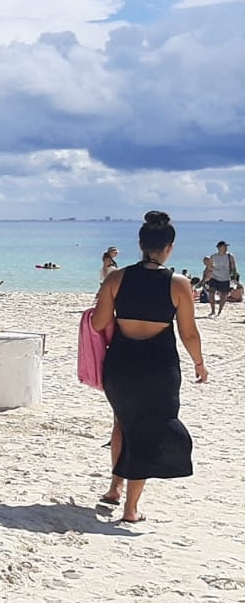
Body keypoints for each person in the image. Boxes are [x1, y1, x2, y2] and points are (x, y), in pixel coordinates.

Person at [91, 211, 206, 524]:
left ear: (140, 244)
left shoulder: (116, 278)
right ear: (169, 248)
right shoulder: (179, 284)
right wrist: (199, 362)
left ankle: (115, 488)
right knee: (147, 429)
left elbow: (99, 323)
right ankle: (131, 509)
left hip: (122, 365)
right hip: (159, 368)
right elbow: (189, 333)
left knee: (123, 422)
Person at [202, 241, 236, 317]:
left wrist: (235, 278)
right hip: (214, 277)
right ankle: (213, 310)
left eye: (226, 246)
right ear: (219, 247)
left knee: (224, 296)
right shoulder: (213, 257)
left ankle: (219, 311)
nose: (226, 248)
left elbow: (233, 268)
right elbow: (208, 267)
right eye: (225, 246)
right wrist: (204, 279)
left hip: (225, 278)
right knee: (211, 293)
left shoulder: (230, 256)